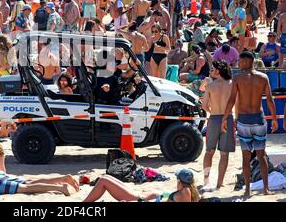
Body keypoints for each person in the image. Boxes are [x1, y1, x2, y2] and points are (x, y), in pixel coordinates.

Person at [222, 52, 278, 197]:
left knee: (246, 157)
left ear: (247, 62)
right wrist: (274, 118)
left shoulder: (237, 78)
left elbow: (232, 100)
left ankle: (247, 190)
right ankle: (265, 189)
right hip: (259, 119)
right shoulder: (263, 77)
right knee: (261, 156)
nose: (239, 64)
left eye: (240, 61)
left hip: (244, 120)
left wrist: (225, 118)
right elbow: (270, 100)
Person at [201, 60, 235, 190]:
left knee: (209, 151)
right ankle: (220, 183)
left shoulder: (210, 86)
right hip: (228, 118)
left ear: (218, 70)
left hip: (214, 118)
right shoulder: (232, 84)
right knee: (224, 153)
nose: (211, 71)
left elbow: (204, 105)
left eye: (212, 69)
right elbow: (235, 103)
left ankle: (206, 179)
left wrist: (212, 111)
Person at [83, 169, 200, 202]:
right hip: (142, 196)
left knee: (104, 180)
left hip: (138, 199)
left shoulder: (185, 192)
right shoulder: (192, 192)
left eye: (177, 180)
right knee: (106, 178)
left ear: (180, 182)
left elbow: (185, 196)